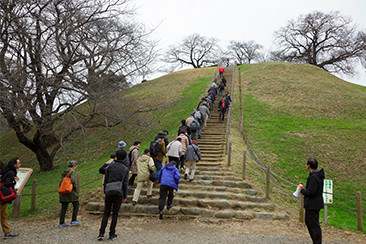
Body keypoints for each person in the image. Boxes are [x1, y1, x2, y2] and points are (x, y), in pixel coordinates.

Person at [98, 149, 129, 241]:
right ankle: (112, 233)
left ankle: (101, 233)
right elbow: (125, 183)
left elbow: (106, 180)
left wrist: (104, 191)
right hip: (118, 192)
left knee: (106, 213)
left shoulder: (109, 167)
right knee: (115, 213)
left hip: (109, 191)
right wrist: (125, 196)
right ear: (124, 157)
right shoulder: (125, 169)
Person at [300, 158, 325, 244]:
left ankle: (317, 242)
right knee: (309, 222)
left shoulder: (314, 177)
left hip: (313, 204)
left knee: (314, 224)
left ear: (309, 165)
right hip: (312, 203)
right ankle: (315, 241)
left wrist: (302, 190)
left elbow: (312, 192)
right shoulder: (316, 175)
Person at [0, 158, 20, 239]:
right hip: (3, 196)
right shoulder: (11, 172)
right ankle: (7, 232)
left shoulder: (7, 170)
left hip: (3, 196)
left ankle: (7, 232)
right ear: (14, 165)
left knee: (4, 214)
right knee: (3, 213)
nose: (20, 164)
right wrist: (14, 181)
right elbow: (8, 183)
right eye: (18, 163)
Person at [59, 160, 80, 227]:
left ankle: (61, 222)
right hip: (70, 191)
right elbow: (73, 180)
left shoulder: (64, 172)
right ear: (74, 166)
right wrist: (75, 188)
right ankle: (73, 220)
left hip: (63, 190)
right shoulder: (72, 171)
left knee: (64, 207)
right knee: (76, 204)